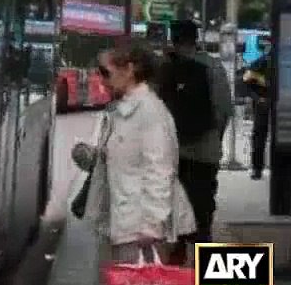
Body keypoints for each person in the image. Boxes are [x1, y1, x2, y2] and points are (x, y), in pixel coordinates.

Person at [72, 44, 196, 263]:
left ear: (129, 70)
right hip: (125, 224)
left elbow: (160, 170)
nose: (102, 80)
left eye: (105, 72)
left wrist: (151, 225)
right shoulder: (122, 110)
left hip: (140, 232)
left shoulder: (149, 112)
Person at [160, 20, 233, 247]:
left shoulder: (165, 67)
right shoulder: (212, 67)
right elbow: (224, 109)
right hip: (205, 152)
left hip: (173, 153)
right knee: (203, 207)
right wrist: (214, 139)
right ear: (196, 39)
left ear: (174, 40)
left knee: (175, 205)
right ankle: (204, 258)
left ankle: (177, 257)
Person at [243, 43, 272, 180]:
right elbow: (245, 82)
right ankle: (257, 168)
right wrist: (257, 98)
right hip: (264, 105)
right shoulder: (261, 62)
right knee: (259, 137)